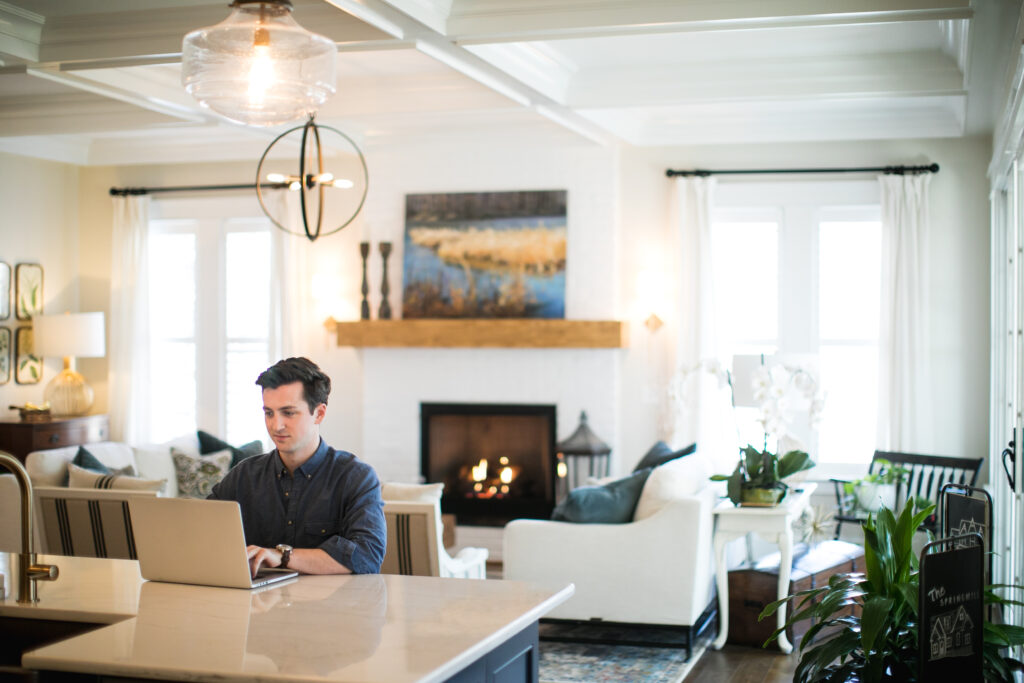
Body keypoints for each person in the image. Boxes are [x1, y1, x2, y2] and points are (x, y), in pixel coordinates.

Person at [209, 357, 386, 576]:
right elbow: (202, 534)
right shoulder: (243, 476)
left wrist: (282, 556)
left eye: (288, 413)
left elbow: (367, 557)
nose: (276, 425)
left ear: (319, 413)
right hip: (257, 606)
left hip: (332, 607)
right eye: (269, 413)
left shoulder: (355, 477)